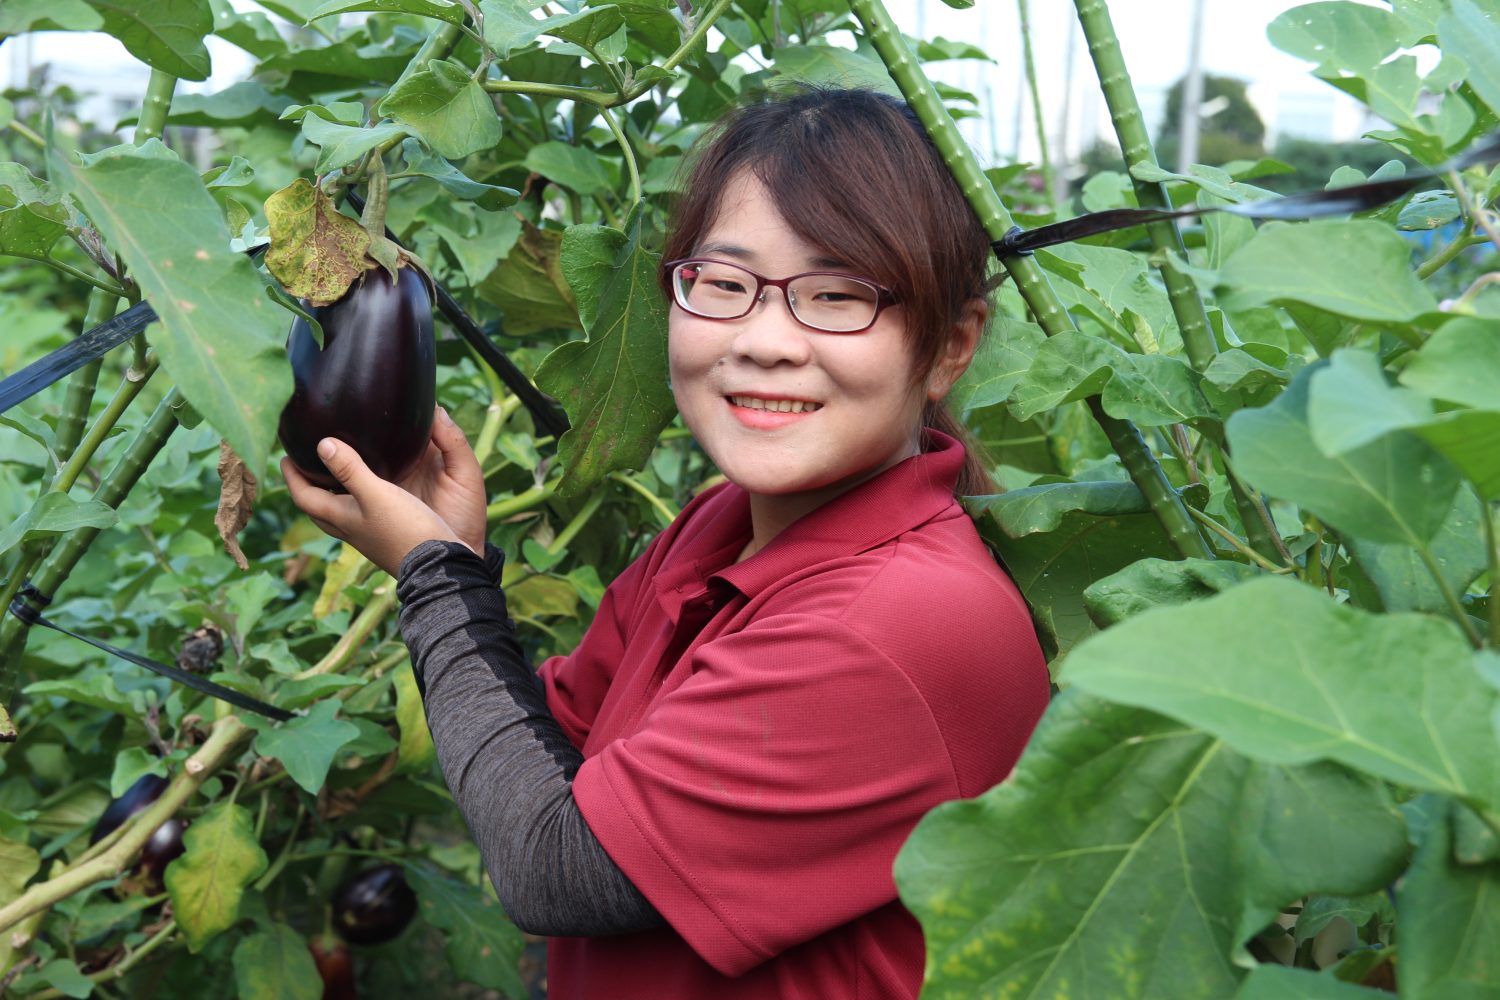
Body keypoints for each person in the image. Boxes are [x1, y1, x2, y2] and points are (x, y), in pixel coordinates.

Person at [282, 86, 1049, 1000]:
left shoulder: (900, 623)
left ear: (951, 347)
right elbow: (540, 764)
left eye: (837, 295)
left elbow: (553, 865)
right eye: (723, 284)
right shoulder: (719, 532)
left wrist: (435, 580)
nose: (765, 341)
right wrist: (455, 554)